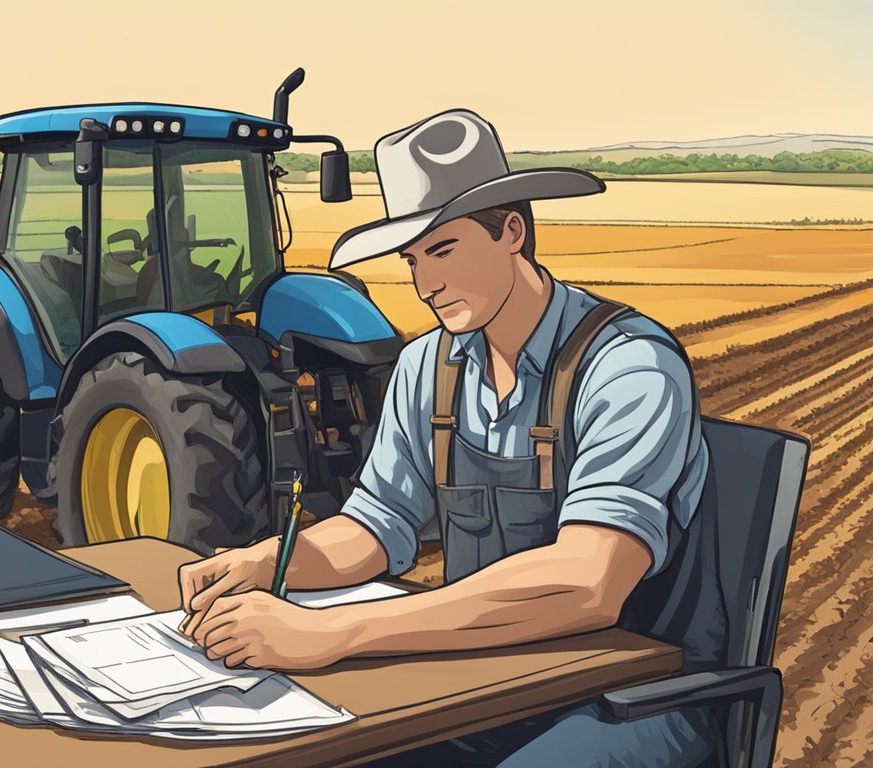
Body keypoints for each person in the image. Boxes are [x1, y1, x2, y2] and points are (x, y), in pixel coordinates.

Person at [177, 109, 724, 767]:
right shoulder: (427, 366)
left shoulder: (628, 363)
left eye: (443, 250)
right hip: (488, 681)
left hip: (638, 698)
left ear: (512, 231)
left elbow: (590, 581)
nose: (425, 284)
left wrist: (330, 632)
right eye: (413, 259)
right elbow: (376, 528)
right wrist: (267, 563)